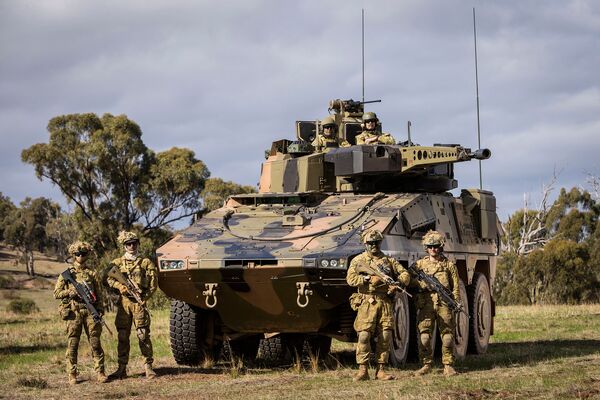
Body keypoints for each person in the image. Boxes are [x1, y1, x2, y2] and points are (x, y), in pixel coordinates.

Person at [346, 229, 410, 381]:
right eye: (370, 243)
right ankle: (363, 370)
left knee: (385, 336)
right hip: (367, 302)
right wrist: (368, 278)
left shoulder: (388, 260)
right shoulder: (358, 260)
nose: (374, 246)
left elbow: (405, 274)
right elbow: (350, 279)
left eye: (376, 243)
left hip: (385, 302)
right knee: (364, 335)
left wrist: (397, 283)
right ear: (365, 243)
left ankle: (381, 370)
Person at [54, 241, 107, 385]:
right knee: (73, 343)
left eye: (83, 254)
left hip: (90, 311)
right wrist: (70, 292)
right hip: (74, 312)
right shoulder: (67, 274)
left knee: (95, 342)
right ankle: (72, 374)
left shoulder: (92, 273)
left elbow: (99, 294)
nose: (80, 256)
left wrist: (100, 309)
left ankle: (100, 372)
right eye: (77, 254)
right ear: (73, 255)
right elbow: (56, 293)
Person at [107, 231, 158, 379]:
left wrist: (144, 298)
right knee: (123, 335)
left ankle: (148, 367)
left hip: (139, 303)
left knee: (143, 335)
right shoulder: (117, 263)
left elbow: (153, 285)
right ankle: (121, 369)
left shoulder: (145, 262)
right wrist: (119, 286)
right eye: (128, 244)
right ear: (124, 246)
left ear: (138, 244)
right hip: (124, 304)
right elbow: (108, 279)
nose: (131, 246)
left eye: (134, 243)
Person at [411, 230, 461, 377]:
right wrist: (421, 285)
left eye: (436, 246)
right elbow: (407, 279)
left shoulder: (449, 265)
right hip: (426, 304)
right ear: (426, 247)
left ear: (441, 246)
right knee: (425, 337)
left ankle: (448, 365)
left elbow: (456, 287)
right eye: (430, 246)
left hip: (444, 304)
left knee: (447, 336)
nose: (433, 249)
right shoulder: (419, 264)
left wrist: (456, 302)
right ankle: (426, 364)